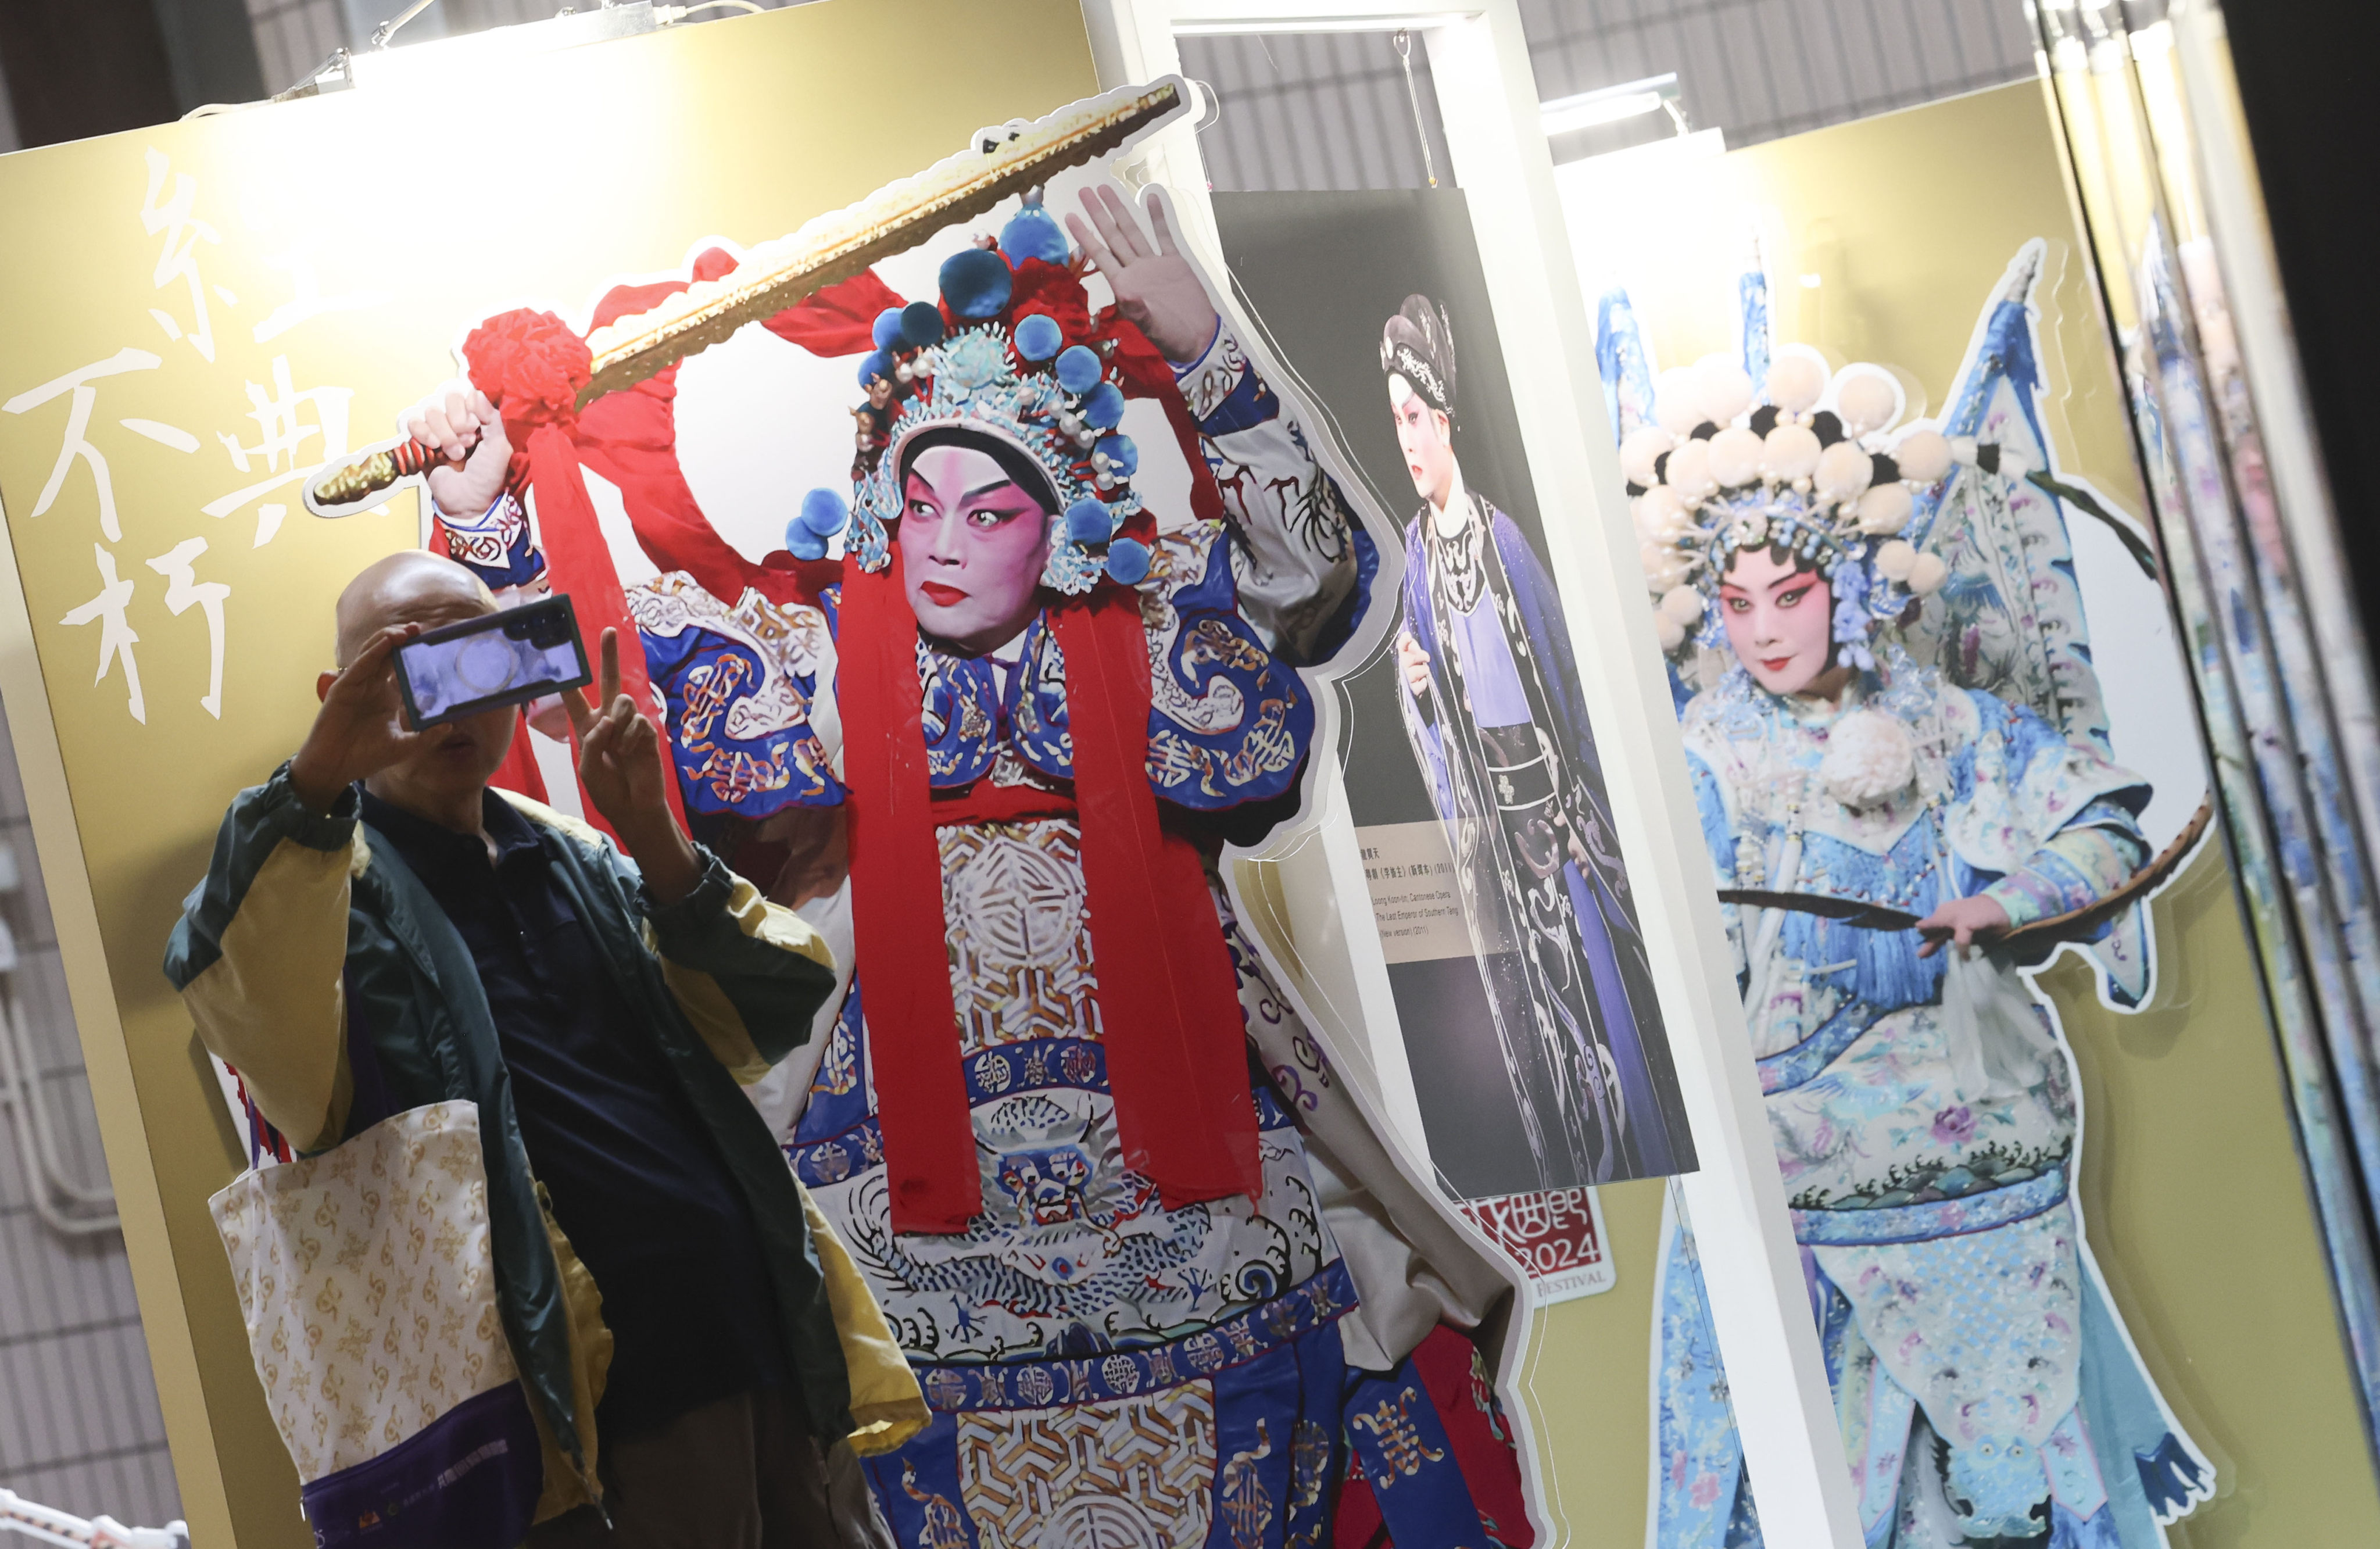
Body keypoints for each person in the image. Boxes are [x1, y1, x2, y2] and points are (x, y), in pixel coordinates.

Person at [428, 187, 1540, 1547]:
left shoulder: (1146, 629)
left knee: (1271, 1401)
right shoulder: (822, 656)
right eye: (923, 504)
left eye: (992, 510)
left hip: (1174, 1116)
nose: (946, 544)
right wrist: (484, 516)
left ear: (1061, 517)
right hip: (888, 1120)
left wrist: (1204, 354)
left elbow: (1312, 580)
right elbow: (574, 667)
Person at [163, 549, 928, 1547]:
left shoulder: (574, 852)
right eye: (408, 667)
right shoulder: (323, 901)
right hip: (603, 1421)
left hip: (767, 1347)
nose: (449, 703)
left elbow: (773, 1007)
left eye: (475, 657)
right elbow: (228, 979)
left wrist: (652, 831)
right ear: (342, 696)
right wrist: (313, 781)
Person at [1630, 352, 2209, 1546]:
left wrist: (2003, 907)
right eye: (1734, 604)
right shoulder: (1701, 757)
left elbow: (2102, 827)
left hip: (1977, 1152)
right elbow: (1664, 976)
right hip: (1793, 1164)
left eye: (1785, 595)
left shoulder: (1954, 725)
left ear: (1845, 581)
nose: (1760, 630)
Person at [1384, 294, 1687, 1186]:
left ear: (1443, 421)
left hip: (1563, 838)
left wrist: (1586, 825)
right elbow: (1437, 709)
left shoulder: (1501, 541)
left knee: (1613, 1030)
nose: (1404, 439)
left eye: (1412, 417)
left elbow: (1566, 694)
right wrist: (1423, 693)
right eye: (1392, 420)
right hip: (1505, 860)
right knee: (1557, 1052)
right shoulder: (1416, 558)